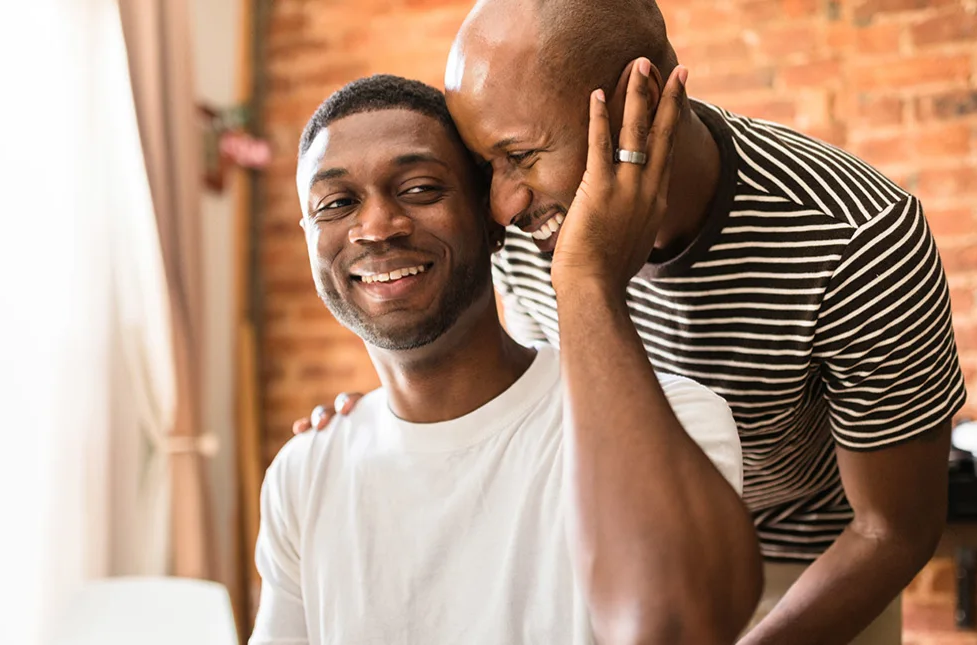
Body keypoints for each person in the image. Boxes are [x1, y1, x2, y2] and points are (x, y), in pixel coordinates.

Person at [297, 1, 968, 643]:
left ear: (633, 107)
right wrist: (393, 420)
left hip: (807, 573)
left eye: (521, 156)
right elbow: (536, 406)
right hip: (613, 552)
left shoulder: (858, 237)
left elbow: (893, 529)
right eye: (484, 166)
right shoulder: (532, 227)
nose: (501, 204)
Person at [252, 74, 762, 645]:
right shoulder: (304, 472)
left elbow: (679, 626)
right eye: (337, 204)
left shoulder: (677, 422)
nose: (375, 228)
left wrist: (587, 281)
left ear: (492, 218)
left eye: (419, 188)